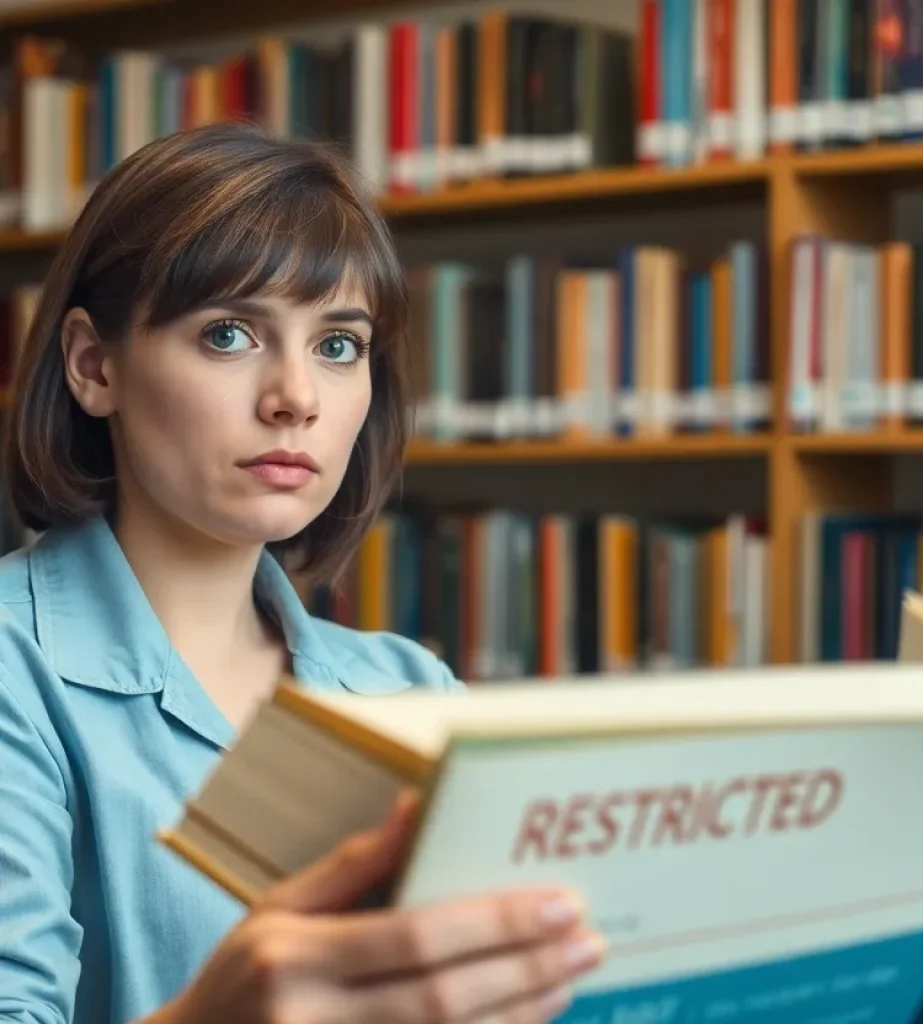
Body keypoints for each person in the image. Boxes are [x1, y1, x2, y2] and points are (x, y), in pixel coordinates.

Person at [0, 123, 606, 1024]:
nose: (297, 397)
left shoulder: (413, 691)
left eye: (338, 345)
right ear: (95, 366)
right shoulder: (14, 669)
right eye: (229, 334)